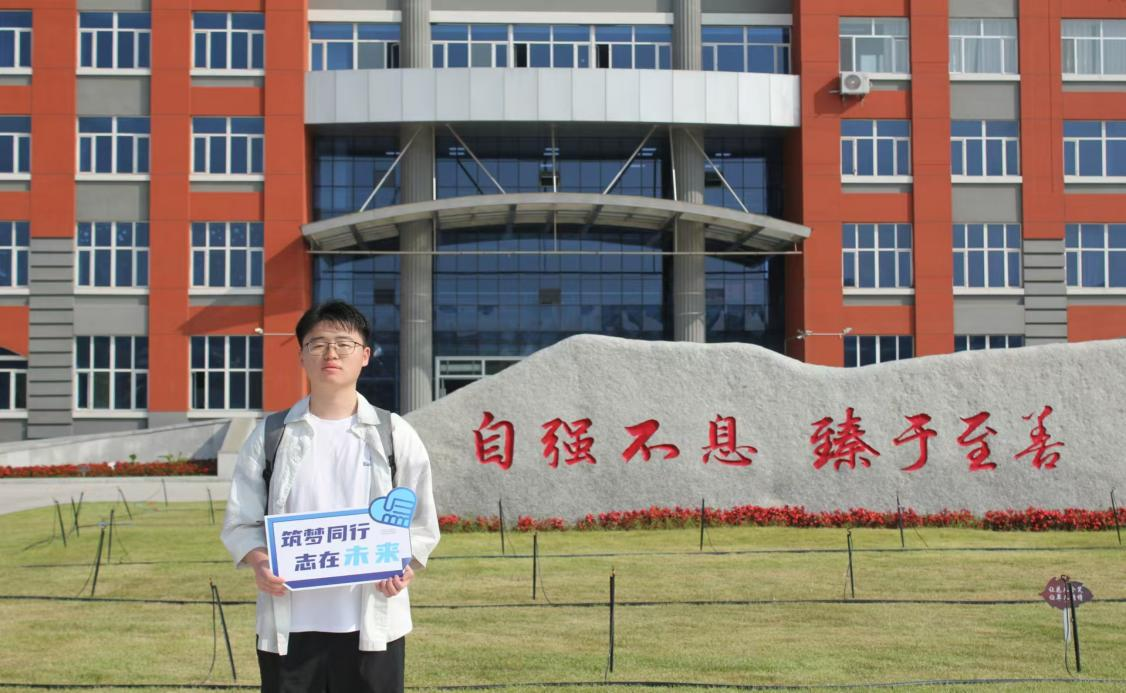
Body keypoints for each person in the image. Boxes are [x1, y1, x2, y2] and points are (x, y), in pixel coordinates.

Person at [221, 300, 440, 693]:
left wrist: (405, 564)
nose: (331, 354)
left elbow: (420, 521)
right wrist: (259, 561)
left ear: (365, 355)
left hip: (372, 624)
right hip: (292, 625)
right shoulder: (271, 435)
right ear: (301, 355)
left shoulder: (394, 433)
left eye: (343, 344)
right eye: (318, 344)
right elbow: (242, 520)